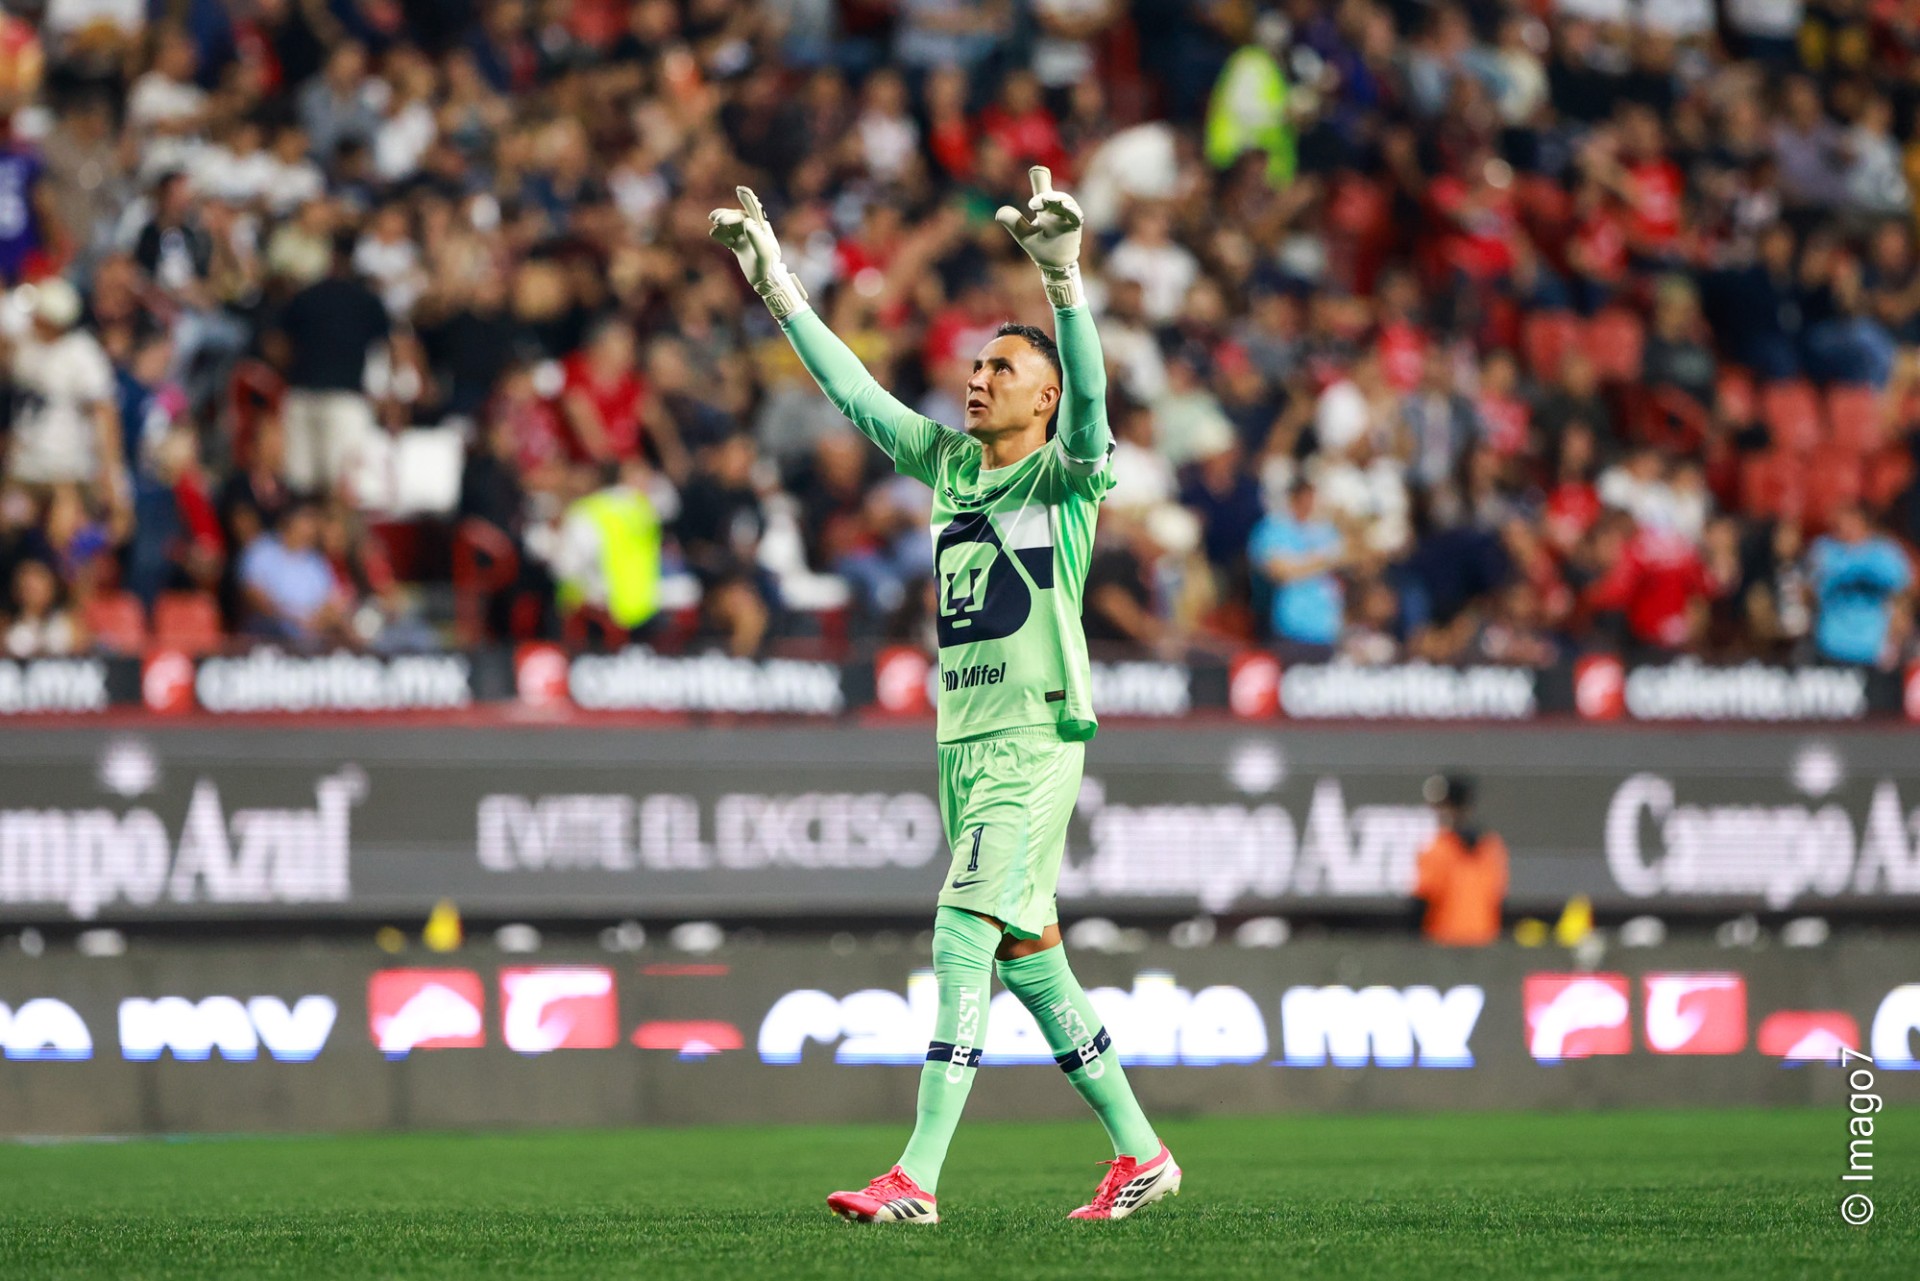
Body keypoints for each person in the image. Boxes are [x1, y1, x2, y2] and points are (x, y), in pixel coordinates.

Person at [712, 168, 1177, 1224]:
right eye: (975, 364)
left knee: (961, 931)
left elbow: (1094, 402)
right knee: (1032, 962)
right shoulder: (951, 467)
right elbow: (855, 396)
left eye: (1002, 369)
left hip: (1032, 737)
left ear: (1042, 399)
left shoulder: (1065, 478)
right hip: (964, 746)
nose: (978, 378)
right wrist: (779, 288)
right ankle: (1142, 1152)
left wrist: (1063, 283)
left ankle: (916, 1176)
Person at [1411, 774, 1508, 947]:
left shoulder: (1438, 848)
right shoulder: (1491, 846)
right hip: (1484, 946)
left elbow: (1421, 903)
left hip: (1443, 946)